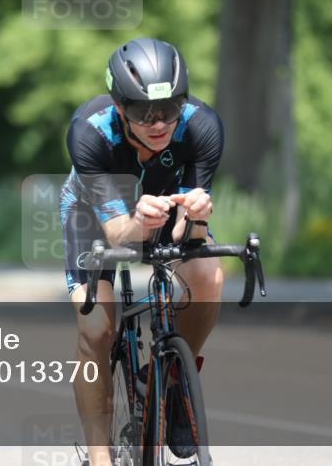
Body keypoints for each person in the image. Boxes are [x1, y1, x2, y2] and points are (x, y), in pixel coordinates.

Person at [61, 38, 223, 466]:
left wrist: (198, 216)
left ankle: (173, 383)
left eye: (169, 108)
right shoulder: (90, 133)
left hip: (164, 207)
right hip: (95, 217)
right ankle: (100, 458)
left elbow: (190, 235)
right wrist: (138, 221)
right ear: (120, 107)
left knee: (208, 275)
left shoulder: (202, 126)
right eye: (142, 112)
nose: (158, 123)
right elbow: (119, 234)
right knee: (96, 328)